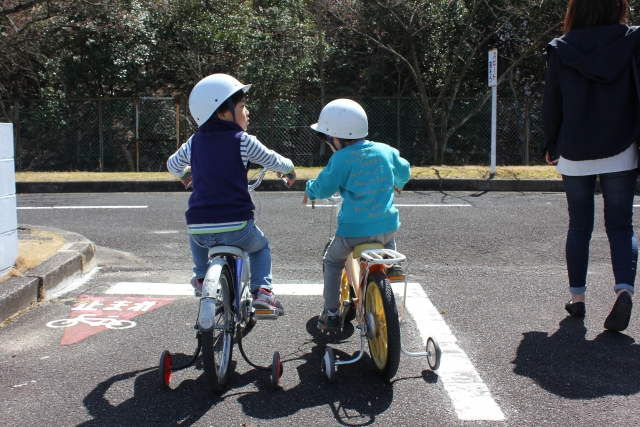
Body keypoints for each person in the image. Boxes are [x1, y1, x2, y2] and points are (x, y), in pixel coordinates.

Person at [543, 0, 640, 331]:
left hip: (574, 147)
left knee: (580, 225)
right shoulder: (633, 40)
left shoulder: (561, 48)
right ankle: (624, 290)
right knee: (620, 225)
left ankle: (578, 300)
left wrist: (551, 143)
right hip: (622, 146)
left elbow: (552, 101)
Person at [167, 73, 296, 315]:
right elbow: (272, 159)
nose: (247, 113)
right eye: (242, 107)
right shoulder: (242, 141)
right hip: (238, 227)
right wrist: (289, 169)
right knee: (260, 247)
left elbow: (172, 165)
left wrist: (187, 172)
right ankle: (263, 291)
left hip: (200, 230)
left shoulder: (194, 142)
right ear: (222, 112)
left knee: (195, 231)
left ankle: (202, 277)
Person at [305, 99, 411, 331]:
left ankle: (331, 312)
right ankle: (392, 266)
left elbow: (323, 187)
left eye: (327, 139)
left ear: (336, 138)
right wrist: (399, 184)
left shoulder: (341, 159)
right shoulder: (385, 150)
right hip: (387, 228)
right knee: (384, 234)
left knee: (332, 261)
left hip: (353, 232)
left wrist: (310, 191)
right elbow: (404, 170)